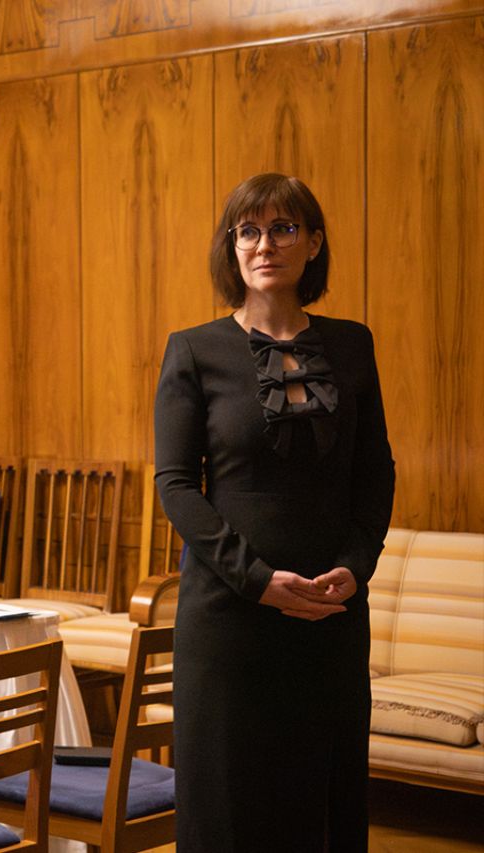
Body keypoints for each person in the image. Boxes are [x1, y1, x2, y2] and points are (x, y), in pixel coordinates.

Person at [154, 173, 396, 851]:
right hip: (230, 621)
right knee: (230, 811)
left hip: (329, 618)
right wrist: (257, 580)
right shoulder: (193, 349)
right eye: (249, 230)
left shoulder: (353, 345)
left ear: (313, 243)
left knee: (323, 807)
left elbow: (375, 472)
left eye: (284, 228)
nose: (266, 245)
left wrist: (356, 566)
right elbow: (176, 485)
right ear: (232, 246)